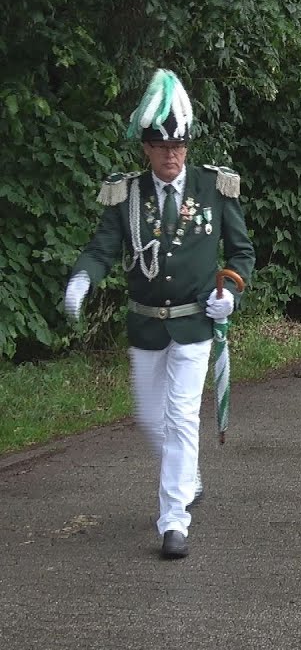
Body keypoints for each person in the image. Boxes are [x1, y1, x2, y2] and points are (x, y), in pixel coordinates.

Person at [64, 69, 256, 560]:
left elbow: (242, 253)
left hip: (195, 323)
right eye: (160, 146)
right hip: (146, 323)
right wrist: (82, 279)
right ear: (145, 148)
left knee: (181, 415)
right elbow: (103, 247)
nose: (171, 155)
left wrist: (230, 292)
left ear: (188, 146)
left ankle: (174, 519)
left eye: (179, 145)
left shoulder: (215, 188)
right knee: (152, 419)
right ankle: (187, 474)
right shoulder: (127, 194)